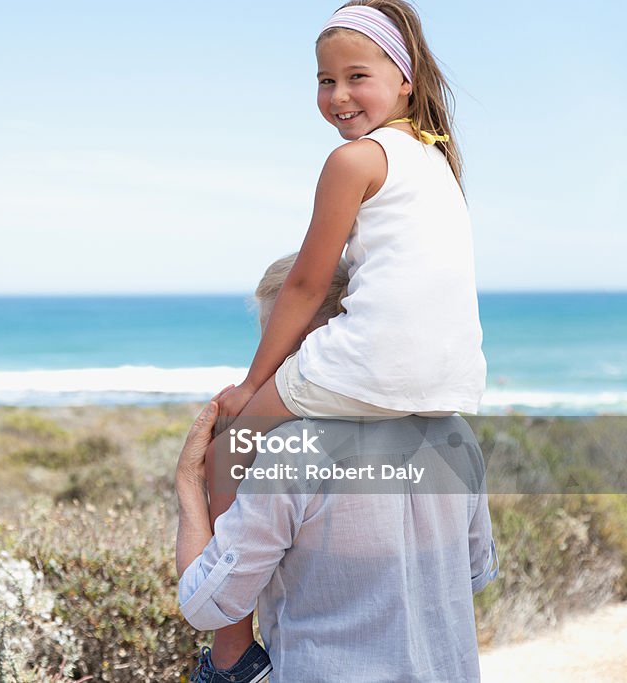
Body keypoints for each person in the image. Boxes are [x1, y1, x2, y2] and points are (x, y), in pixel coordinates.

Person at [200, 0, 488, 674]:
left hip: (368, 362)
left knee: (226, 448)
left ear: (405, 77)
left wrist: (250, 387)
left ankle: (230, 649)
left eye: (357, 76)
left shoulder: (355, 160)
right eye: (325, 81)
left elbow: (303, 287)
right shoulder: (438, 162)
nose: (338, 96)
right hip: (445, 383)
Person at [176, 400, 500, 682]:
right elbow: (474, 570)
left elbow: (207, 606)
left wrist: (189, 480)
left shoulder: (293, 450)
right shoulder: (456, 433)